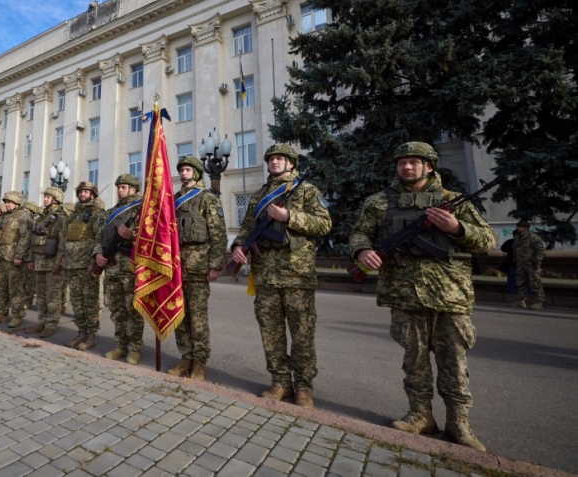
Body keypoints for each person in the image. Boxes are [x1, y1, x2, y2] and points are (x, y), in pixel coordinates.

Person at [348, 142, 496, 451]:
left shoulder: (452, 201)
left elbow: (486, 240)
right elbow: (359, 233)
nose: (407, 166)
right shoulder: (379, 203)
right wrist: (363, 250)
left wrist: (457, 228)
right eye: (402, 162)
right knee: (414, 360)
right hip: (405, 294)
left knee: (454, 361)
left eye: (414, 161)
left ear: (429, 166)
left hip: (449, 295)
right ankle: (420, 415)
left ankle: (459, 422)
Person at [231, 144, 331, 407]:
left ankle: (304, 388)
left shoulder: (306, 190)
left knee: (302, 333)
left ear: (291, 163)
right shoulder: (259, 195)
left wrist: (290, 216)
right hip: (265, 275)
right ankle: (280, 382)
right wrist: (238, 248)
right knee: (271, 332)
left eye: (280, 159)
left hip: (296, 274)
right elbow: (246, 228)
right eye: (272, 159)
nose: (275, 162)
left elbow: (324, 223)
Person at [167, 157, 227, 381]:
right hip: (175, 266)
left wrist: (214, 265)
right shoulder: (174, 200)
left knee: (198, 317)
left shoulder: (207, 198)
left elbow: (218, 234)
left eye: (188, 169)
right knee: (179, 314)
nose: (183, 173)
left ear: (197, 173)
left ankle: (199, 361)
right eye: (181, 169)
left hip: (198, 266)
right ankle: (186, 356)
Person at [93, 174, 144, 365]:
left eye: (124, 187)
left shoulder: (141, 209)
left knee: (133, 310)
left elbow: (153, 236)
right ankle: (121, 345)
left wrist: (133, 235)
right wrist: (98, 254)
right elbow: (99, 237)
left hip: (130, 268)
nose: (120, 190)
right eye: (118, 187)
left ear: (134, 189)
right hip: (112, 268)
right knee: (116, 310)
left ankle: (135, 348)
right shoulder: (110, 212)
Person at [60, 182, 105, 351]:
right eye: (80, 191)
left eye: (86, 192)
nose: (82, 194)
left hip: (87, 265)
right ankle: (81, 332)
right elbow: (66, 238)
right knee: (77, 301)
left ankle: (91, 335)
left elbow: (100, 237)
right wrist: (64, 257)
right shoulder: (73, 215)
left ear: (92, 194)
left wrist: (95, 260)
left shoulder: (96, 213)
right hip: (72, 264)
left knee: (90, 302)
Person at [24, 187, 68, 338]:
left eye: (48, 197)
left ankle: (51, 324)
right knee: (41, 295)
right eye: (45, 197)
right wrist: (31, 259)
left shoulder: (61, 218)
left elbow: (63, 242)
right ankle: (41, 321)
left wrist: (58, 264)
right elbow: (33, 239)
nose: (45, 199)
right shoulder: (41, 217)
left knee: (53, 296)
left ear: (55, 199)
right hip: (39, 261)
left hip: (51, 262)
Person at [0, 192, 33, 327]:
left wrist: (19, 256)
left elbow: (25, 237)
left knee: (15, 289)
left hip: (13, 259)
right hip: (1, 258)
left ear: (17, 203)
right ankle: (1, 312)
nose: (7, 204)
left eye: (9, 202)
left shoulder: (23, 215)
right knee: (0, 287)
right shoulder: (4, 217)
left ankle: (17, 315)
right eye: (6, 202)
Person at [511, 220, 546, 310]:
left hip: (531, 264)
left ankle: (539, 302)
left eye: (519, 226)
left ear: (525, 228)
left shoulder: (533, 237)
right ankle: (520, 300)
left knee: (535, 283)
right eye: (517, 226)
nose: (517, 228)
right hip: (520, 263)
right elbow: (515, 249)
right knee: (520, 282)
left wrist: (537, 263)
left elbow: (540, 251)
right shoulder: (517, 237)